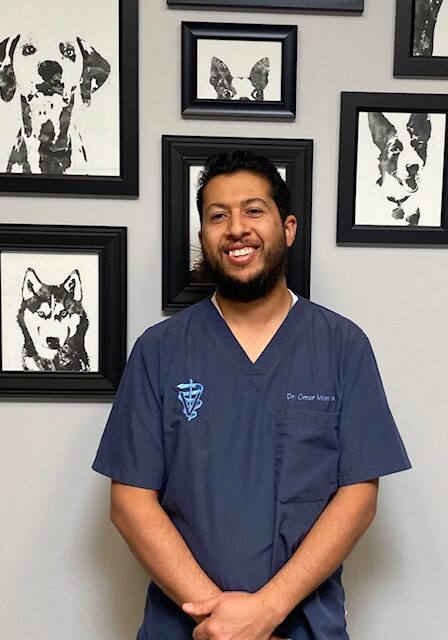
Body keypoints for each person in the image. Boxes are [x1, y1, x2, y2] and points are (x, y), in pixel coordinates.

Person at [92, 150, 411, 640]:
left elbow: (359, 496)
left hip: (304, 626)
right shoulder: (159, 351)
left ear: (287, 229)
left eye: (253, 210)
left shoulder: (343, 347)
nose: (236, 228)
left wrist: (267, 610)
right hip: (187, 627)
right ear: (203, 238)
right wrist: (217, 616)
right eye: (218, 216)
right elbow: (130, 502)